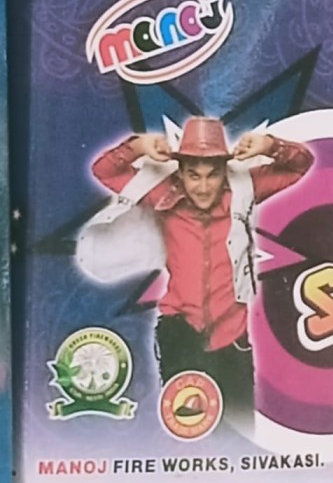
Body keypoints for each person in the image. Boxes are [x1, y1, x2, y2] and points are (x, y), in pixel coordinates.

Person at [90, 117, 313, 413]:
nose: (204, 187)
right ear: (180, 172)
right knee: (187, 426)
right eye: (194, 175)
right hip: (180, 334)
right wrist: (139, 146)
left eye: (213, 175)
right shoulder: (163, 194)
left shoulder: (244, 190)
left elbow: (299, 165)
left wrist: (269, 145)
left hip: (231, 338)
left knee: (238, 426)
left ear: (225, 171)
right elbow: (104, 170)